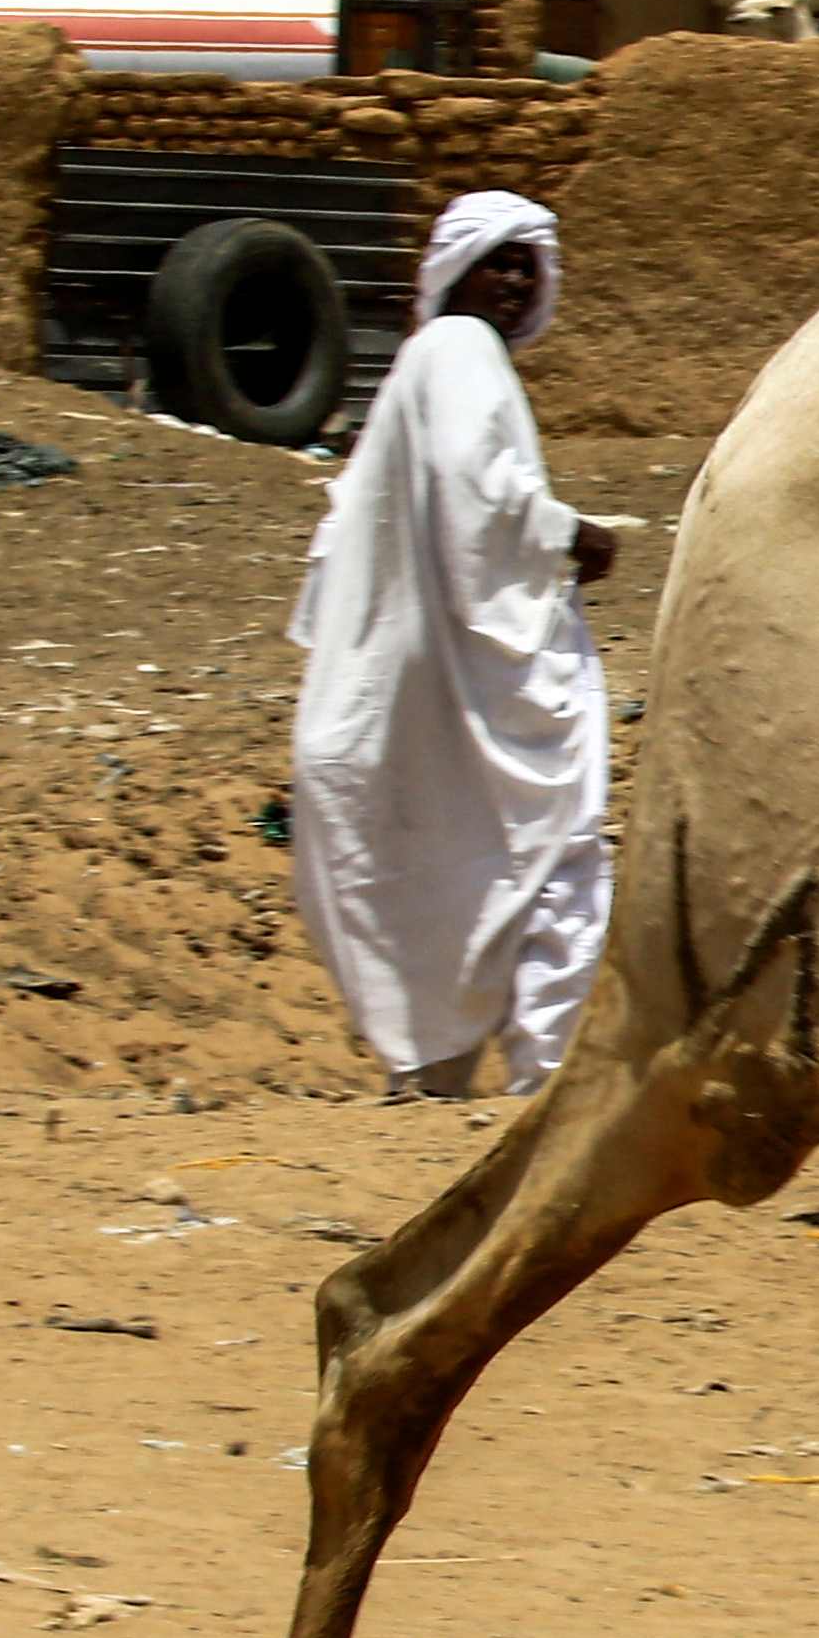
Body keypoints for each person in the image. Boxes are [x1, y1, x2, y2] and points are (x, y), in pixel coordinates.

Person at [285, 192, 618, 1099]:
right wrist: (569, 534)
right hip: (470, 684)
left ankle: (443, 1078)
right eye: (496, 262)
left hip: (435, 684)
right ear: (455, 271)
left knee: (466, 870)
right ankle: (547, 1090)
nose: (514, 281)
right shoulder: (461, 348)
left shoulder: (426, 361)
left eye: (526, 265)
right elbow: (478, 491)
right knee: (551, 851)